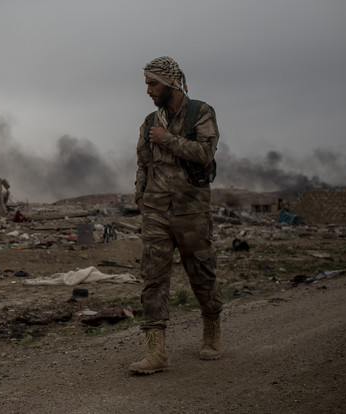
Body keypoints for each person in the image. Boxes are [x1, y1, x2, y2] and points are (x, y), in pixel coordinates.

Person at [130, 56, 223, 375]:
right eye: (146, 83)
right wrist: (141, 194)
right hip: (156, 209)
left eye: (152, 83)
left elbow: (205, 153)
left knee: (201, 269)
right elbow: (143, 162)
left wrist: (167, 139)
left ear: (170, 83)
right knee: (152, 277)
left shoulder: (201, 112)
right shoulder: (148, 122)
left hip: (191, 207)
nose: (148, 90)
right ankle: (157, 351)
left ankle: (211, 331)